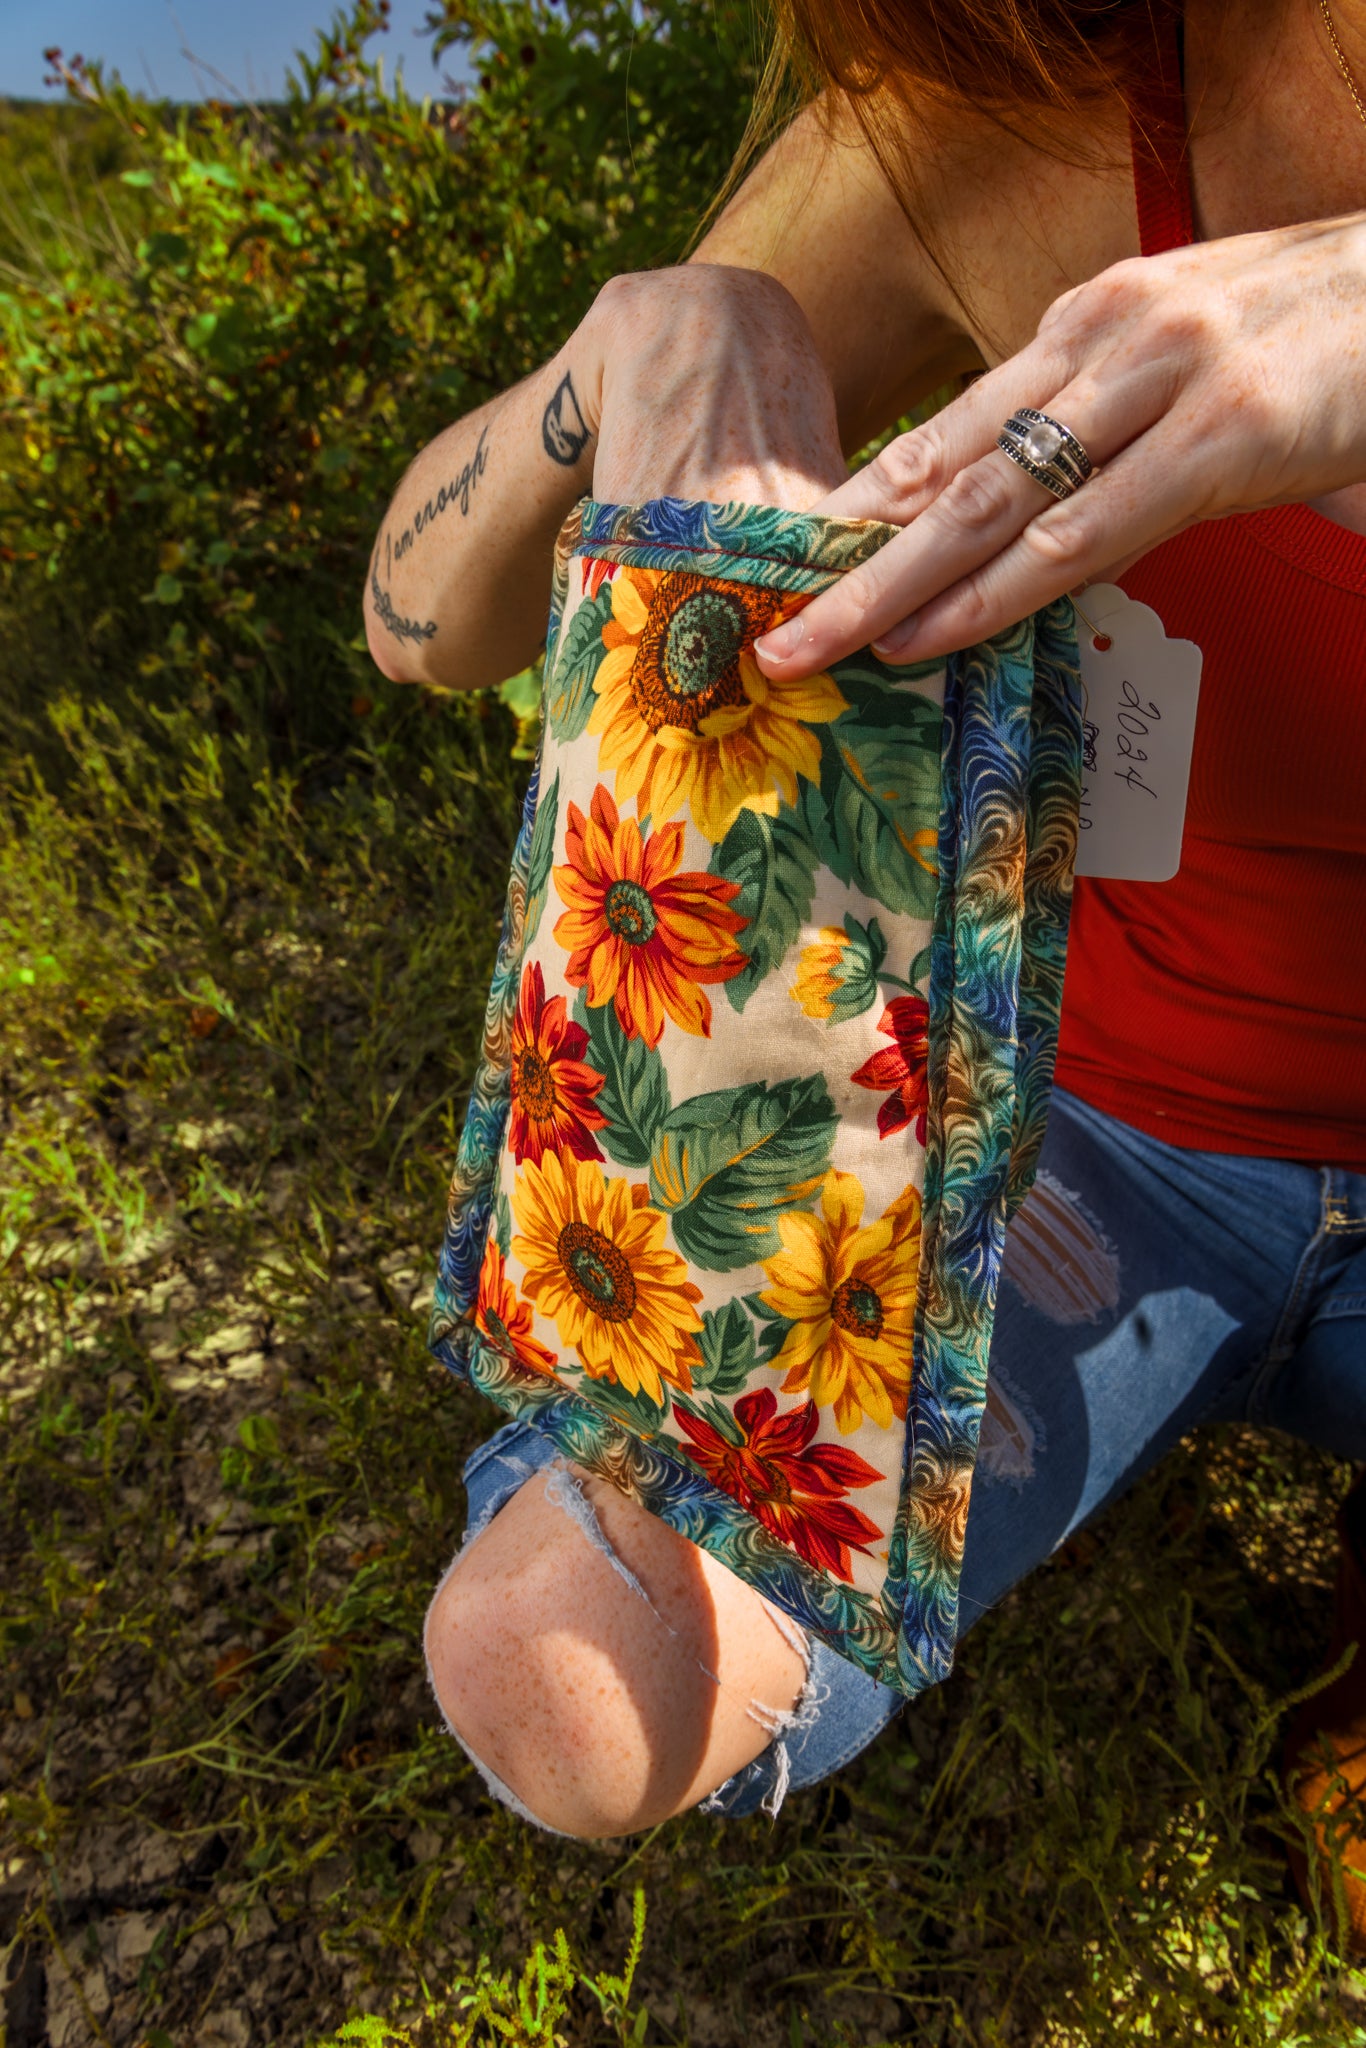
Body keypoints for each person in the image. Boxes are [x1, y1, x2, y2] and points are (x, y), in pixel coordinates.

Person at [363, 0, 1366, 1905]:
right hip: (1084, 1143)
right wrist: (612, 368)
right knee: (574, 1670)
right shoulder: (1005, 114)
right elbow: (422, 617)